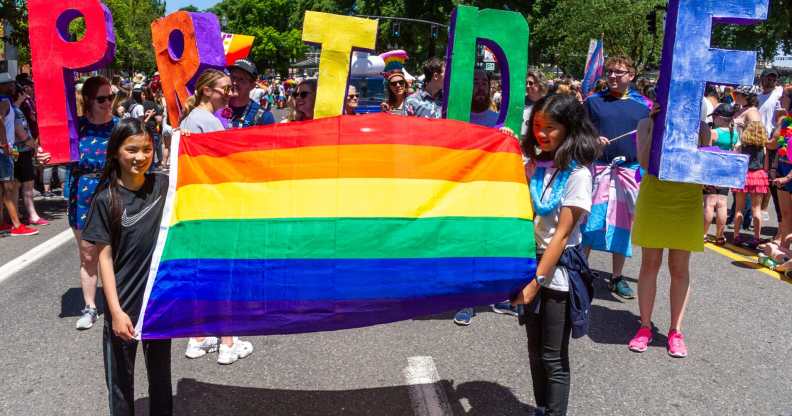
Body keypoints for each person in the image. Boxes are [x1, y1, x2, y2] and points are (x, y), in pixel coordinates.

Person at [513, 94, 598, 416]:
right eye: (536, 126)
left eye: (550, 127)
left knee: (552, 355)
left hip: (559, 270)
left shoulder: (578, 174)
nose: (542, 134)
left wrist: (536, 281)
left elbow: (561, 236)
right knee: (534, 351)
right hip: (531, 261)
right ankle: (541, 408)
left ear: (569, 129)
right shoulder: (533, 166)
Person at [82, 118, 172, 416]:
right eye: (132, 149)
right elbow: (103, 259)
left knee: (161, 378)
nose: (140, 157)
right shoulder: (106, 200)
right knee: (121, 383)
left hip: (157, 304)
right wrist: (116, 312)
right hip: (123, 307)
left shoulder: (163, 186)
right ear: (116, 153)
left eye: (147, 149)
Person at [179, 69, 254, 365]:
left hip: (198, 210)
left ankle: (198, 337)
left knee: (204, 273)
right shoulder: (207, 122)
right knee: (225, 275)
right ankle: (228, 342)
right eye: (225, 88)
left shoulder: (192, 120)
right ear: (207, 90)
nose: (230, 93)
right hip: (215, 209)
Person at [629, 106, 708, 359]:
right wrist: (656, 125)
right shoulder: (645, 123)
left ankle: (676, 330)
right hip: (655, 195)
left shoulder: (703, 128)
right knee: (650, 263)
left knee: (680, 267)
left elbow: (703, 167)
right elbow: (644, 162)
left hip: (686, 198)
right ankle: (644, 326)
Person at [581, 56, 651, 299]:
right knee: (589, 221)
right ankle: (579, 270)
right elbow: (578, 133)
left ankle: (617, 277)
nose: (612, 76)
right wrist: (592, 141)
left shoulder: (645, 107)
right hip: (597, 171)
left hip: (628, 174)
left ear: (631, 75)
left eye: (619, 72)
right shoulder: (593, 102)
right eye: (609, 71)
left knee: (623, 226)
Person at [453, 69, 518, 326]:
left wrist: (509, 139)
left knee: (493, 245)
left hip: (493, 189)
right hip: (464, 189)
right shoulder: (455, 117)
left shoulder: (498, 119)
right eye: (475, 82)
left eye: (484, 82)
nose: (480, 87)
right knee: (468, 245)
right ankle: (465, 300)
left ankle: (497, 295)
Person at [69, 76, 119, 330]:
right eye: (102, 99)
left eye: (111, 97)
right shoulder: (76, 128)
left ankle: (119, 304)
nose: (108, 102)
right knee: (88, 255)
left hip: (114, 194)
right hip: (83, 196)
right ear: (88, 100)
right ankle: (90, 306)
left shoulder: (120, 127)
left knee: (116, 253)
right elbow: (52, 153)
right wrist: (45, 155)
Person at [0, 73, 38, 236]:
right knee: (8, 188)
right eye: (9, 84)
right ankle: (16, 226)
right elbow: (0, 119)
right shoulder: (4, 101)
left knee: (2, 189)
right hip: (3, 151)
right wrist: (4, 143)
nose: (13, 87)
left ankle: (2, 223)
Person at [703, 104, 740, 245]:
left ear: (718, 117)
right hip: (726, 171)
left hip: (712, 170)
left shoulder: (713, 132)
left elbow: (707, 152)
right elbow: (736, 152)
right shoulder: (734, 134)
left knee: (709, 203)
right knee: (722, 204)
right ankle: (720, 235)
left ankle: (704, 234)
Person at [12, 86, 48, 226]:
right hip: (22, 151)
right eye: (24, 93)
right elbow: (22, 134)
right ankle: (31, 215)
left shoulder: (15, 110)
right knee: (26, 185)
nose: (27, 96)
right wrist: (36, 146)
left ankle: (17, 214)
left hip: (17, 152)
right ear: (19, 95)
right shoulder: (15, 112)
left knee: (16, 185)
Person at [731, 120, 769, 247]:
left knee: (739, 209)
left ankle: (736, 236)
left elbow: (736, 160)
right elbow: (766, 166)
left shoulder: (741, 146)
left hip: (744, 175)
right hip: (758, 176)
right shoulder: (763, 148)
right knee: (756, 209)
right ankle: (757, 238)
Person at [227, 59, 275, 128]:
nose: (234, 82)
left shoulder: (263, 117)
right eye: (233, 77)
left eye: (241, 79)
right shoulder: (216, 107)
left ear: (252, 85)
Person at [521, 71, 548, 137]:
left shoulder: (548, 104)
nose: (527, 86)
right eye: (526, 83)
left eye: (531, 83)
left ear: (540, 84)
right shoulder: (519, 102)